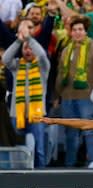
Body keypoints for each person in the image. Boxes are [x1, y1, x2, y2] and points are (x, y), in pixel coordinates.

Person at [55, 15, 93, 167]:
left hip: (88, 98)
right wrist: (57, 94)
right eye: (74, 30)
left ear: (85, 32)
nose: (77, 32)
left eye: (80, 29)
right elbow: (60, 74)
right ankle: (69, 165)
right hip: (67, 97)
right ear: (70, 32)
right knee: (70, 134)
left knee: (89, 132)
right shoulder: (66, 50)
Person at [3, 21, 50, 168]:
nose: (28, 50)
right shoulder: (17, 66)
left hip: (37, 115)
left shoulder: (43, 66)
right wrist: (19, 40)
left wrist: (29, 38)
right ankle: (19, 176)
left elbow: (41, 54)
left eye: (30, 48)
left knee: (39, 149)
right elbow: (5, 59)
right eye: (25, 48)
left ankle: (41, 178)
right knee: (17, 147)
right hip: (17, 114)